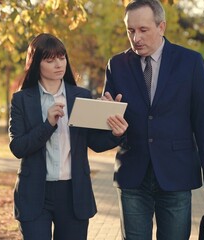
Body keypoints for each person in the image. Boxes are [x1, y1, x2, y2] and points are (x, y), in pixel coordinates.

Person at [102, 0, 204, 239]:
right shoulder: (116, 65)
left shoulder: (190, 62)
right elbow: (107, 127)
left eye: (143, 30)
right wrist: (113, 128)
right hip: (132, 175)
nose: (136, 37)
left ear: (161, 27)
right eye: (131, 31)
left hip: (177, 174)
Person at [8, 33, 128, 240]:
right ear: (37, 64)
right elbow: (18, 147)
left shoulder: (80, 96)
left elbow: (94, 143)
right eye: (50, 59)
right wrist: (48, 125)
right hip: (35, 194)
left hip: (74, 194)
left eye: (61, 57)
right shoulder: (21, 100)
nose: (58, 64)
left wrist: (115, 133)